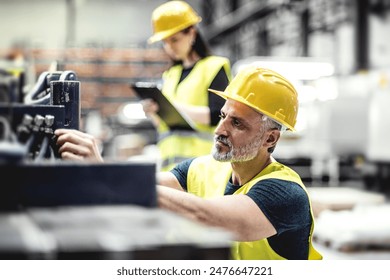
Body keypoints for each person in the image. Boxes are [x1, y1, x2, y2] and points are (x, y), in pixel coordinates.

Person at [55, 66, 323, 260]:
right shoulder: (202, 168)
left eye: (237, 123)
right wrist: (96, 170)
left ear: (270, 138)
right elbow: (141, 187)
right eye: (223, 116)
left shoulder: (285, 193)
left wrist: (102, 176)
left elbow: (209, 216)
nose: (220, 129)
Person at [143, 0, 232, 171]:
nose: (169, 47)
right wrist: (154, 112)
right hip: (170, 168)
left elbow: (219, 115)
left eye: (174, 40)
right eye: (165, 42)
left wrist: (174, 108)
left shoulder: (213, 67)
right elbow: (166, 126)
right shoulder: (170, 75)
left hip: (202, 167)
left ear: (192, 33)